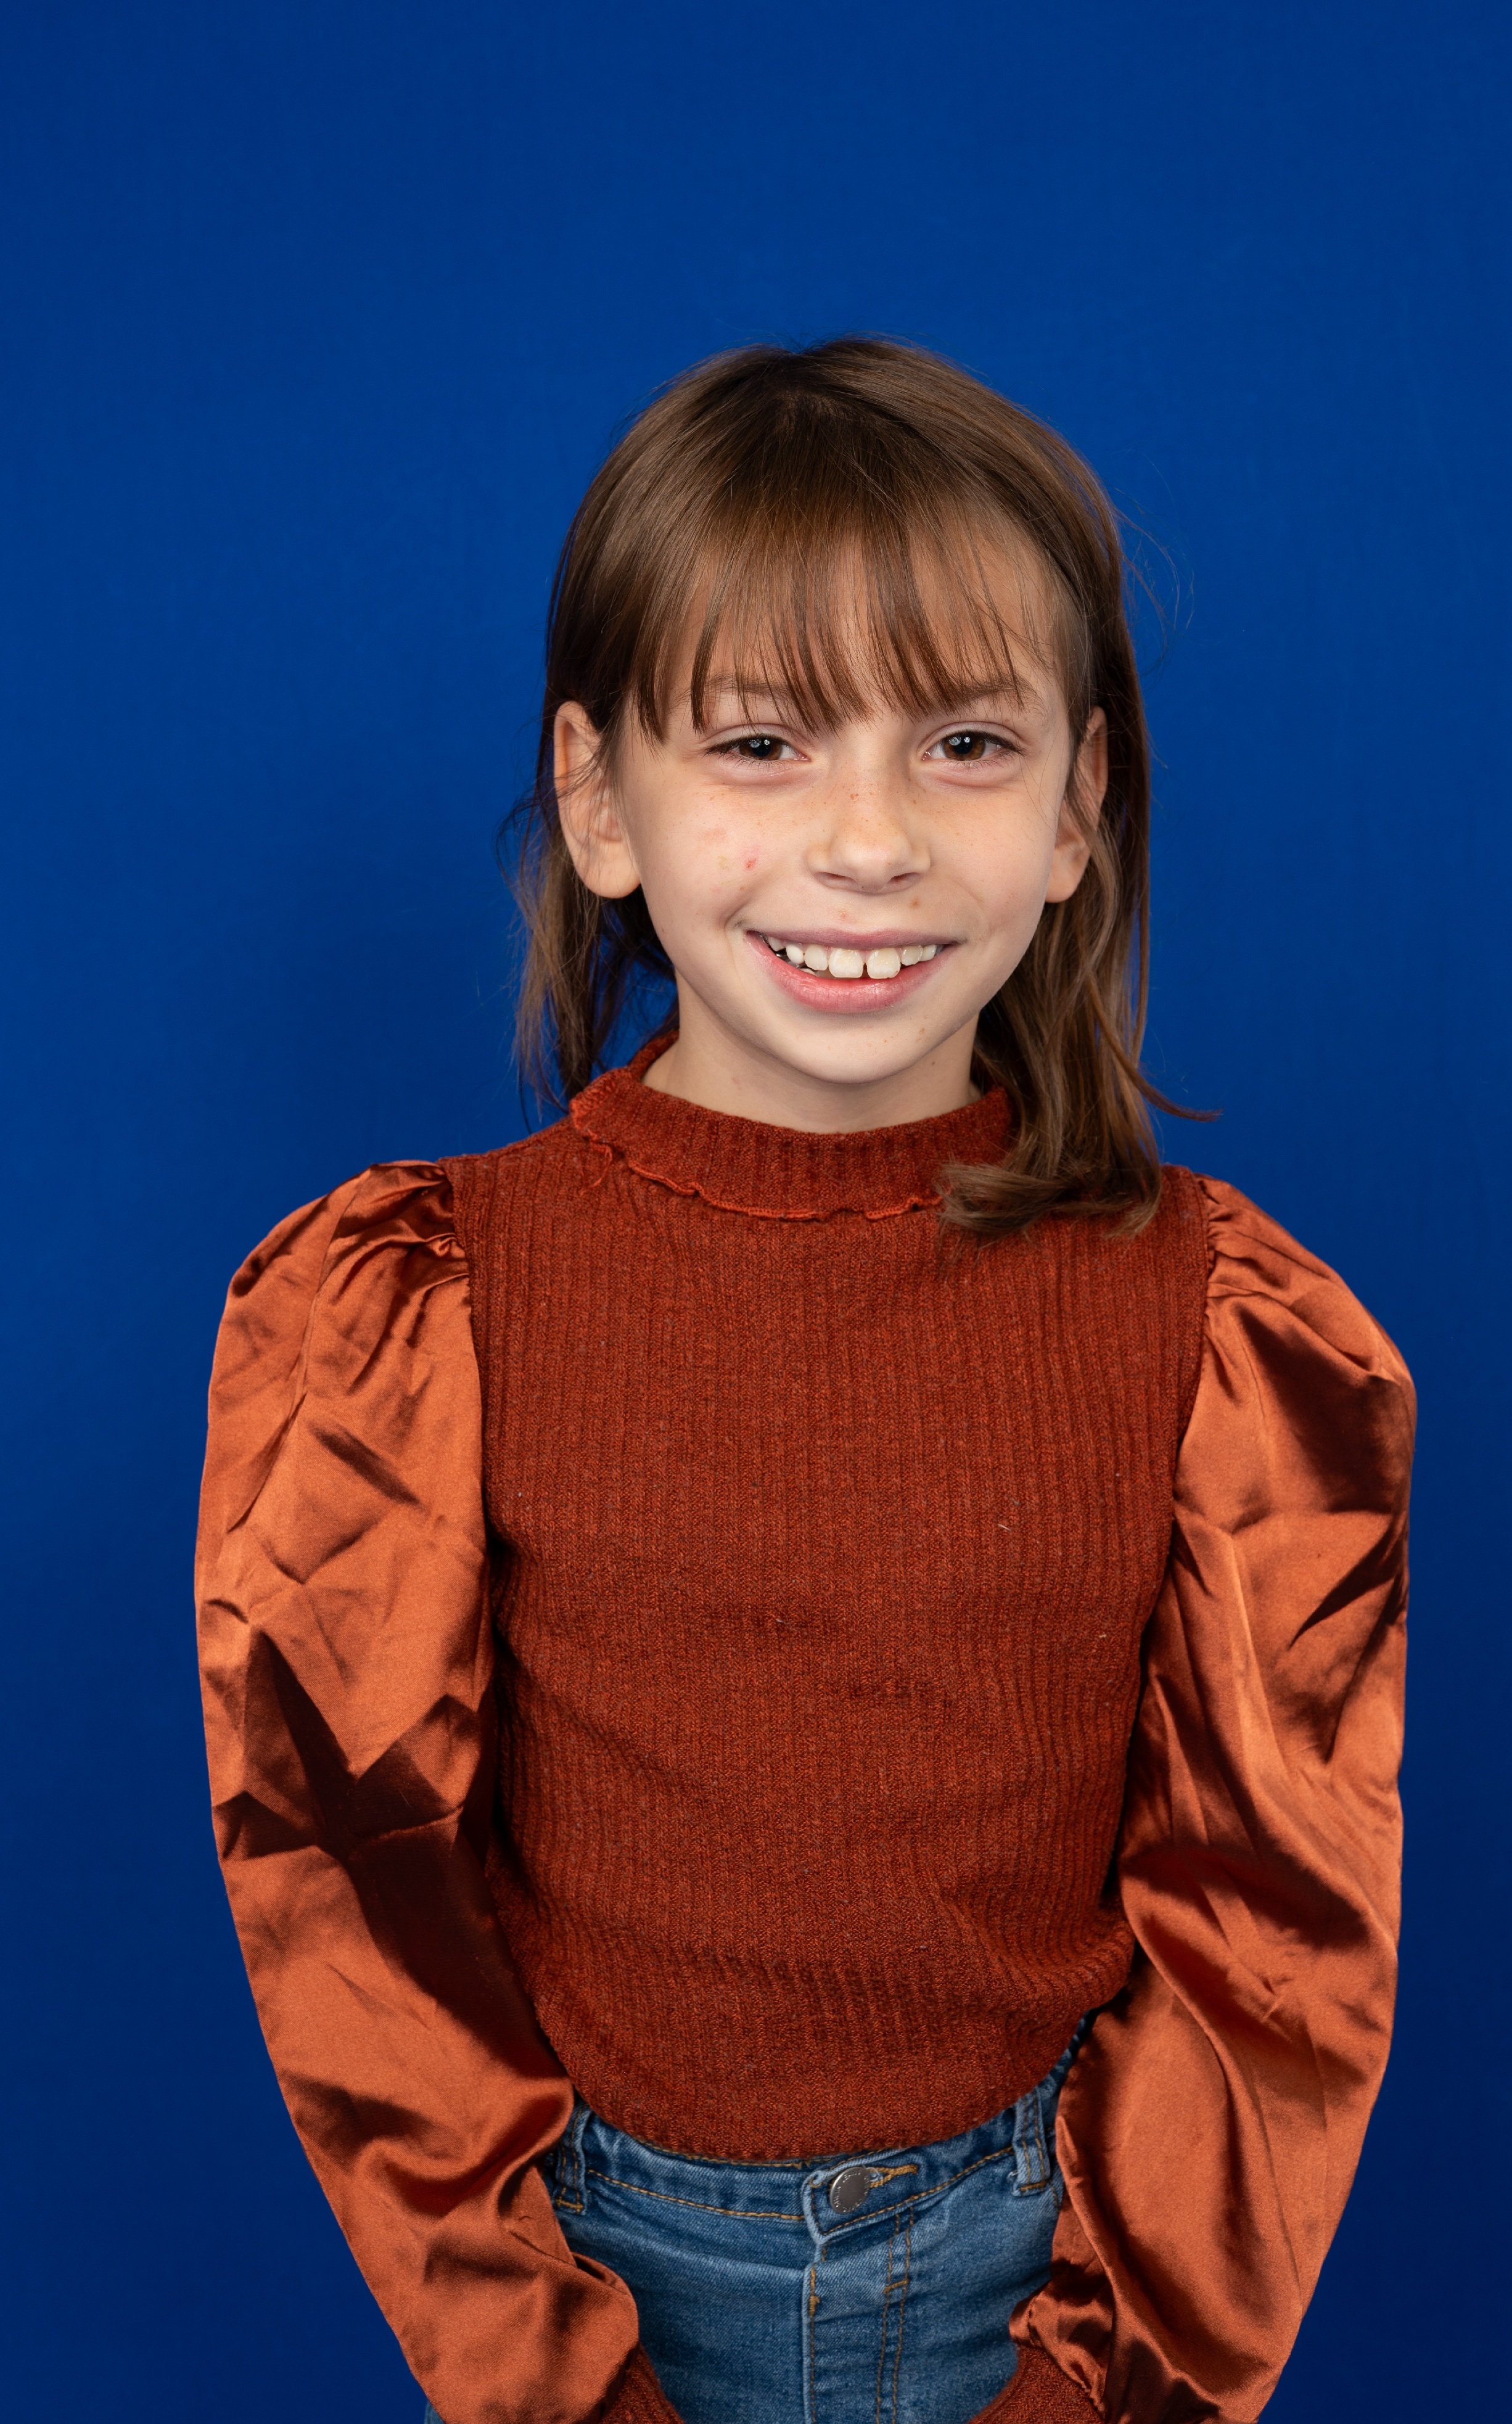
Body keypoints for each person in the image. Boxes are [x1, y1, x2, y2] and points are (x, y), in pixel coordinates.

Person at [195, 338, 1413, 2424]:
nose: (869, 841)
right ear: (601, 800)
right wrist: (554, 2372)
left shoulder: (1227, 1324)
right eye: (761, 743)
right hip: (601, 2278)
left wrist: (1094, 2383)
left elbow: (1270, 1940)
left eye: (964, 743)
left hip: (1050, 2272)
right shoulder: (422, 1304)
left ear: (1077, 807)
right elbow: (356, 1897)